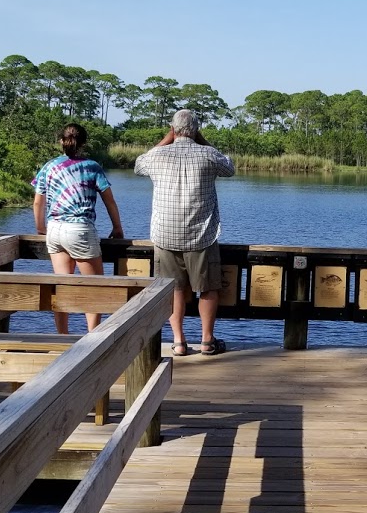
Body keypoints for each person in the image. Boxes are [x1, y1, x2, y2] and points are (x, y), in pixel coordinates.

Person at [134, 109, 235, 356]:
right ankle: (207, 341)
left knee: (175, 289)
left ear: (173, 129)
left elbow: (138, 165)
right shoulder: (208, 155)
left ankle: (178, 342)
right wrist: (201, 140)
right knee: (209, 288)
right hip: (201, 235)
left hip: (165, 234)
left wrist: (167, 138)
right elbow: (229, 167)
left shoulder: (157, 156)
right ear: (196, 129)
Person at [33, 122, 124, 334]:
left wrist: (40, 228)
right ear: (84, 143)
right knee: (94, 288)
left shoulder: (49, 167)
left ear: (61, 141)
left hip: (55, 229)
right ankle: (92, 338)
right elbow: (109, 200)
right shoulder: (92, 167)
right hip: (80, 229)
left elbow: (38, 202)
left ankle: (62, 337)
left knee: (63, 287)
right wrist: (117, 228)